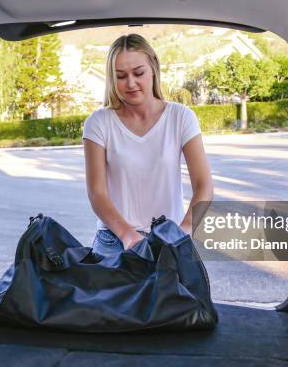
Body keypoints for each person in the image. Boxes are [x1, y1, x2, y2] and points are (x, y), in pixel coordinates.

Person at [82, 33, 213, 256]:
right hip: (115, 238)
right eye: (121, 76)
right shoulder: (98, 123)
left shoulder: (181, 117)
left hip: (169, 238)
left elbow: (203, 186)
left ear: (153, 67)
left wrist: (184, 231)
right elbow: (97, 194)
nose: (131, 83)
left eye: (138, 73)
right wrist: (127, 235)